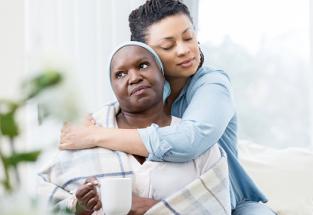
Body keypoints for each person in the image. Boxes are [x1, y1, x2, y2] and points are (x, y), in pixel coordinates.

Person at [60, 0, 274, 214]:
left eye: (189, 37)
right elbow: (111, 118)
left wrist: (94, 135)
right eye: (168, 46)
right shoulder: (145, 92)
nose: (185, 50)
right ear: (146, 52)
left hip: (232, 205)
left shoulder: (212, 84)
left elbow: (190, 139)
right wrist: (83, 126)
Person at [39, 41, 230, 215]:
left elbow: (218, 207)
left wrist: (150, 208)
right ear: (113, 88)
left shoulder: (198, 145)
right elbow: (40, 203)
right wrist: (78, 207)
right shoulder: (81, 138)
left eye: (143, 65)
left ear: (163, 75)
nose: (134, 77)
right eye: (120, 74)